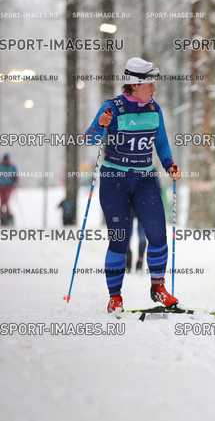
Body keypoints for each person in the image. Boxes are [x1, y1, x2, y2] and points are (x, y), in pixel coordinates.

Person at [84, 57, 181, 313]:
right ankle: (115, 297)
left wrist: (169, 164)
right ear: (135, 85)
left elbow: (161, 141)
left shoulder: (154, 109)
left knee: (157, 234)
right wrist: (101, 126)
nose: (154, 88)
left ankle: (158, 287)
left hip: (145, 179)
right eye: (150, 83)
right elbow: (89, 138)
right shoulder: (112, 108)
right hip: (114, 180)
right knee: (119, 239)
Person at [0, 153, 18, 225]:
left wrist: (15, 180)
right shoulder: (1, 166)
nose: (6, 161)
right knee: (2, 201)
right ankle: (3, 215)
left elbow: (16, 176)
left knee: (6, 201)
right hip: (1, 186)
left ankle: (7, 215)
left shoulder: (12, 166)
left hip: (9, 187)